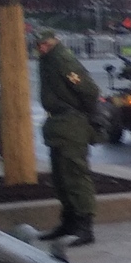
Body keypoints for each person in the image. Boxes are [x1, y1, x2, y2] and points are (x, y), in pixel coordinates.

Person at [36, 29, 99, 246]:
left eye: (45, 44)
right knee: (61, 177)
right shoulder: (48, 60)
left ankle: (85, 226)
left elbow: (89, 89)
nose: (41, 48)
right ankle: (69, 221)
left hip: (71, 124)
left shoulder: (62, 59)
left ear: (54, 42)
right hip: (58, 125)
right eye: (39, 45)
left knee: (76, 175)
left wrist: (85, 112)